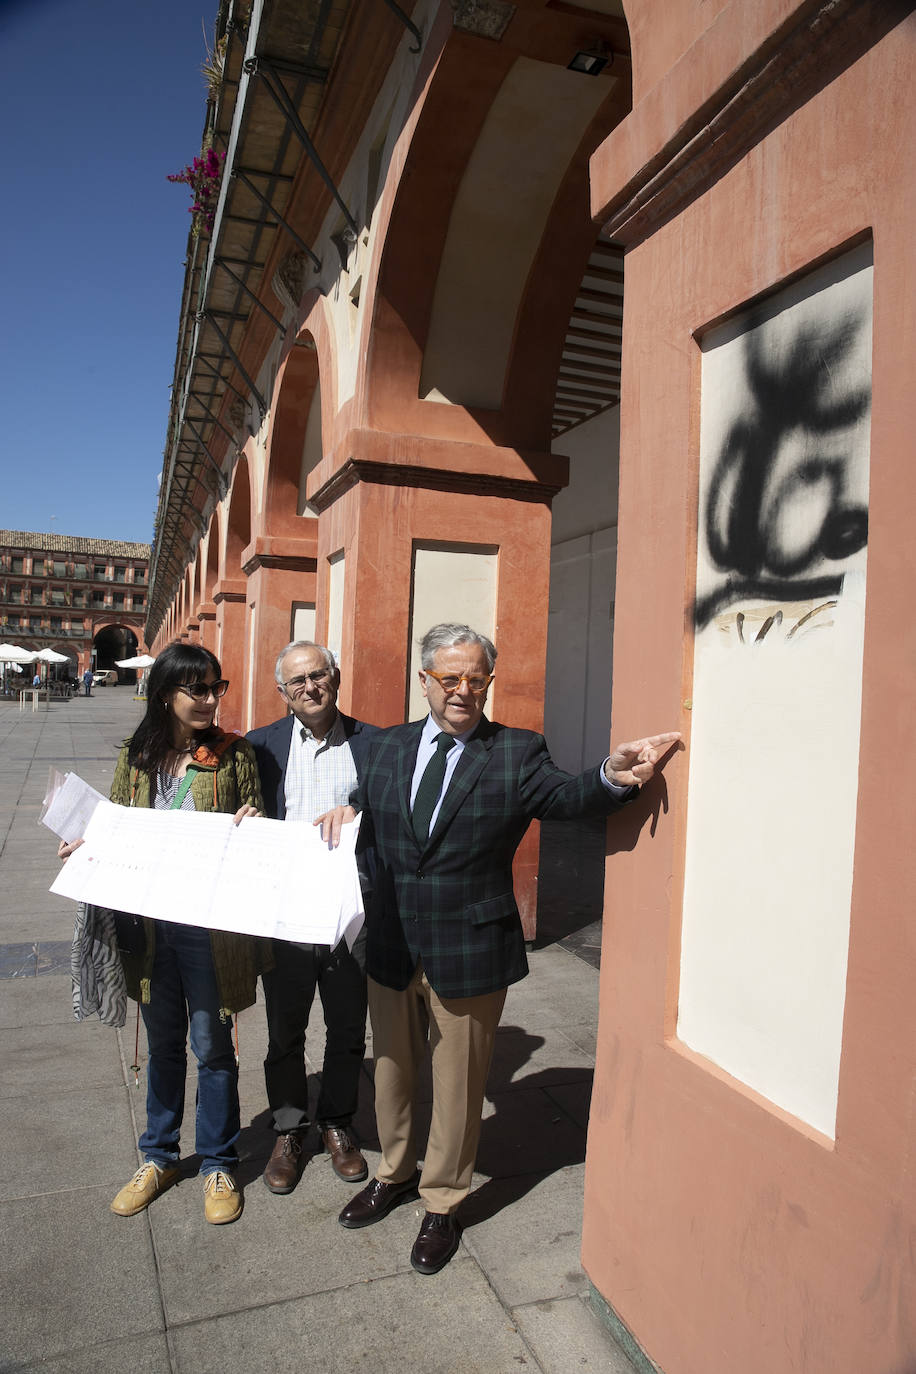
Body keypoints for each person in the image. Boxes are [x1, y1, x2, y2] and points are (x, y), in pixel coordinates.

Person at [318, 622, 681, 1275]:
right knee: (393, 1070)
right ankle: (395, 1172)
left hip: (471, 948)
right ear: (425, 680)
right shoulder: (385, 747)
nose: (463, 691)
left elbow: (566, 796)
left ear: (488, 682)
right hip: (392, 941)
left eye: (476, 679)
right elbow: (363, 808)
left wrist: (611, 776)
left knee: (458, 1085)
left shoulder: (516, 751)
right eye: (450, 679)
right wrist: (345, 813)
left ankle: (442, 1201)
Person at [59, 643, 265, 1225]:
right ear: (166, 693)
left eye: (214, 688)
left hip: (208, 929)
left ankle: (220, 1162)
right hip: (148, 927)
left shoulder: (233, 755)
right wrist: (84, 844)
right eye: (195, 689)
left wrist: (254, 824)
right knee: (163, 1045)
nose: (207, 700)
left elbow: (260, 824)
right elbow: (114, 826)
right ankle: (159, 1155)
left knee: (212, 1046)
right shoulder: (137, 755)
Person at [247, 640, 378, 1194]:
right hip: (287, 914)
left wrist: (362, 813)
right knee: (285, 1031)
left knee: (348, 1028)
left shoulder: (376, 744)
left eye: (318, 675)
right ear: (282, 692)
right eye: (296, 681)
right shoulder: (259, 747)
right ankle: (288, 1128)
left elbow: (396, 813)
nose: (309, 687)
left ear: (337, 678)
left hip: (351, 913)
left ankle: (338, 1124)